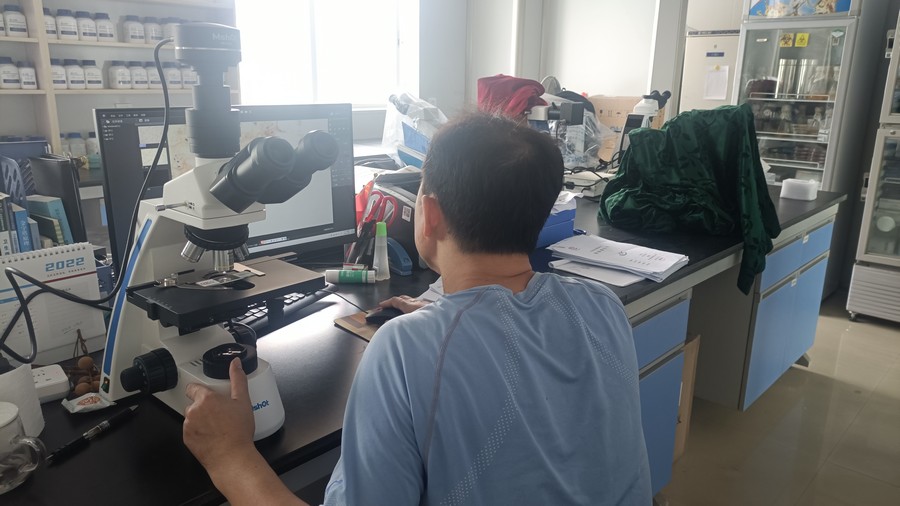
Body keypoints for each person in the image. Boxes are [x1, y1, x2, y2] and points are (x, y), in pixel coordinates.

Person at [183, 112, 652, 505]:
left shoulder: (406, 348)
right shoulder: (601, 305)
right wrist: (441, 322)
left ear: (430, 214)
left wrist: (230, 457)